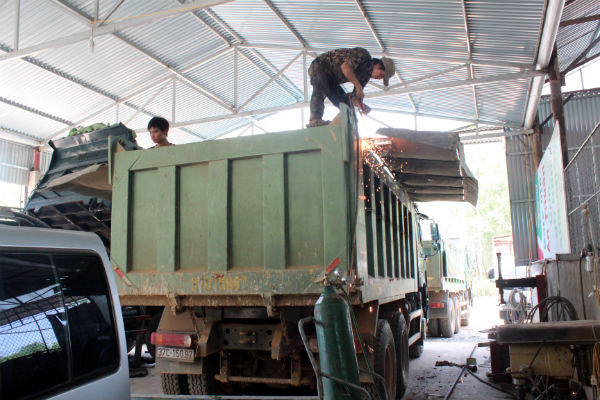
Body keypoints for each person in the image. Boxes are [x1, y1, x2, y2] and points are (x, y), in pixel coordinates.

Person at [307, 47, 395, 127]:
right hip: (320, 66)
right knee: (320, 86)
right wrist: (358, 85)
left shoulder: (365, 77)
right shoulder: (364, 55)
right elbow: (345, 67)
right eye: (382, 75)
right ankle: (315, 120)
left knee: (344, 103)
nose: (379, 79)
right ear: (379, 65)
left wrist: (361, 105)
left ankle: (348, 124)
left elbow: (353, 98)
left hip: (332, 79)